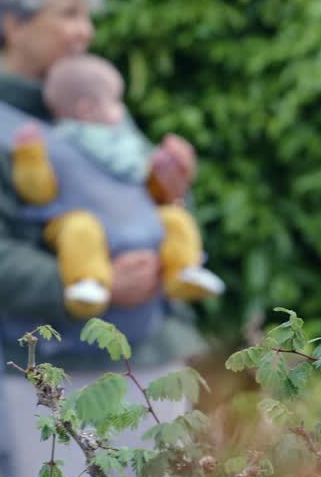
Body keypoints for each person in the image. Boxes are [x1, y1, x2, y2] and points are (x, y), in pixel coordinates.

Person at [0, 0, 207, 477]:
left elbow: (156, 211)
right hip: (48, 378)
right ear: (12, 22)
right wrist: (89, 286)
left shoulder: (97, 105)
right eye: (68, 13)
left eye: (87, 15)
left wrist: (171, 188)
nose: (85, 32)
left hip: (152, 359)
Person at [12, 53, 224, 319]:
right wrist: (29, 156)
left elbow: (149, 190)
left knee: (176, 219)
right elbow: (38, 193)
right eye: (114, 101)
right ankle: (88, 281)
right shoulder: (51, 145)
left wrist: (164, 173)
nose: (122, 110)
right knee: (79, 230)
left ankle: (182, 270)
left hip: (138, 222)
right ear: (87, 109)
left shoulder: (125, 144)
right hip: (91, 229)